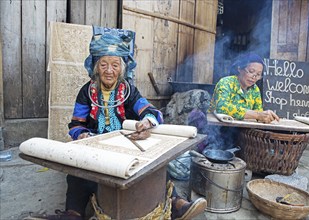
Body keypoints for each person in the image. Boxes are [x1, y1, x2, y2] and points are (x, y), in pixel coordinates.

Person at [46, 27, 206, 220]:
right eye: (103, 64)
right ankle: (73, 213)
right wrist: (82, 135)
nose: (109, 71)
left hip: (127, 144)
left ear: (123, 68)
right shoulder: (86, 92)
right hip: (95, 146)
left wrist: (147, 122)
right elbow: (76, 124)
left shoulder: (129, 91)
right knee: (78, 174)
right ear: (95, 66)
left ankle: (176, 204)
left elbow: (150, 111)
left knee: (153, 166)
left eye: (115, 65)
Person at [209, 52, 279, 123]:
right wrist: (257, 115)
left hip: (242, 129)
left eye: (258, 74)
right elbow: (222, 107)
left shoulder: (255, 89)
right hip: (217, 128)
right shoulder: (226, 82)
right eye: (251, 71)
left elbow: (259, 112)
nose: (254, 77)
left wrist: (265, 116)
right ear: (240, 69)